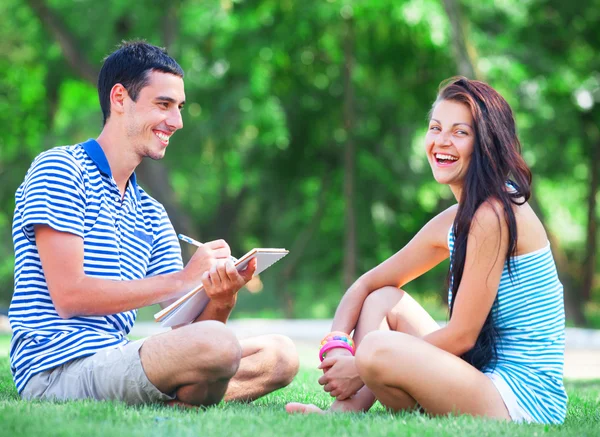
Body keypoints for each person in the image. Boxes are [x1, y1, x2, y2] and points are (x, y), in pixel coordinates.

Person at [9, 40, 298, 406]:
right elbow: (69, 296)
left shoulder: (151, 212)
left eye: (179, 108)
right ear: (119, 99)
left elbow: (188, 334)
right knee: (219, 347)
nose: (176, 122)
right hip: (56, 369)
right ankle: (183, 399)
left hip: (118, 358)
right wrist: (183, 279)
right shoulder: (62, 169)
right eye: (163, 105)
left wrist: (221, 296)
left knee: (281, 356)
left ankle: (179, 401)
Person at [286, 77, 567, 424]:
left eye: (460, 132)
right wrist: (337, 348)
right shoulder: (458, 218)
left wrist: (358, 367)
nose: (442, 142)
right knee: (383, 299)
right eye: (435, 128)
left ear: (486, 143)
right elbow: (366, 285)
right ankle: (342, 412)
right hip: (479, 379)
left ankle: (366, 375)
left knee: (375, 348)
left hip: (520, 401)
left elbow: (462, 334)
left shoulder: (493, 214)